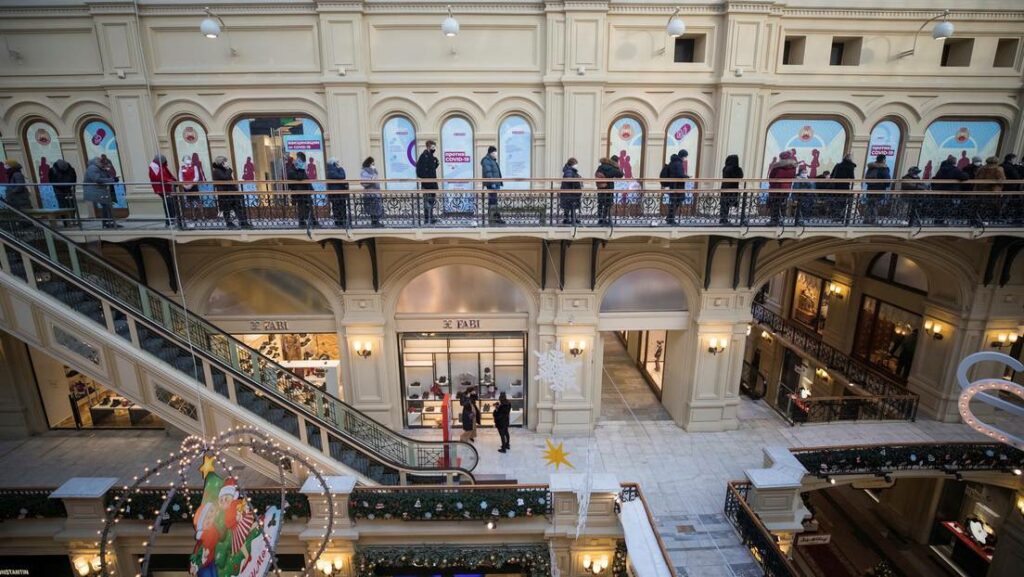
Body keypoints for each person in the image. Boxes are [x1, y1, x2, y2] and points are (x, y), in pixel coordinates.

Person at [212, 156, 250, 229]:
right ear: (222, 163)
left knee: (238, 208)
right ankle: (229, 223)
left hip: (232, 192)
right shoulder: (216, 171)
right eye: (226, 161)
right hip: (224, 193)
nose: (227, 163)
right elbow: (225, 177)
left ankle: (243, 222)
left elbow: (230, 180)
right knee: (227, 209)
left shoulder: (225, 170)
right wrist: (229, 170)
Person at [932, 155, 969, 224]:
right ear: (955, 162)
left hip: (940, 190)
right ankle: (942, 220)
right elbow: (964, 177)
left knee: (940, 206)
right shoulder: (955, 170)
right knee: (947, 206)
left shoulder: (941, 169)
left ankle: (937, 220)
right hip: (950, 192)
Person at [84, 157, 118, 228]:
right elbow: (97, 179)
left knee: (108, 205)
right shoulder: (93, 168)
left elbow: (107, 176)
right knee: (106, 205)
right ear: (97, 162)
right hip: (94, 190)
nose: (103, 163)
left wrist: (111, 175)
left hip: (100, 190)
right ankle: (107, 223)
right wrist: (111, 180)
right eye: (101, 162)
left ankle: (109, 222)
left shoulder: (99, 168)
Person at [766, 151, 797, 225]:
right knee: (782, 204)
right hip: (786, 188)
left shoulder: (777, 166)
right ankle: (780, 220)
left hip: (776, 188)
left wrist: (772, 184)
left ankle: (773, 221)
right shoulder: (793, 167)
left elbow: (771, 177)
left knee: (774, 204)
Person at [149, 154, 179, 227]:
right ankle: (169, 221)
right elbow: (160, 178)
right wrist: (171, 181)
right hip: (163, 189)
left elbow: (167, 175)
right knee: (168, 204)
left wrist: (173, 181)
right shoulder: (154, 168)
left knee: (171, 204)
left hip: (167, 188)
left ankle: (172, 220)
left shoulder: (161, 166)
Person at [288, 151, 316, 228]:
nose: (300, 162)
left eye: (301, 160)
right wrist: (299, 169)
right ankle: (302, 222)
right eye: (298, 159)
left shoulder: (301, 168)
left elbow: (306, 178)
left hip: (305, 191)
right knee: (301, 207)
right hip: (298, 192)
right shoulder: (291, 169)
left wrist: (311, 188)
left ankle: (313, 221)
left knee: (308, 206)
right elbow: (298, 177)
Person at [48, 159, 78, 226]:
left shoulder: (69, 169)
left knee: (70, 205)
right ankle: (66, 221)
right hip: (60, 189)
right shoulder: (53, 170)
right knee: (64, 206)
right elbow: (74, 178)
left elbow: (74, 178)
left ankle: (71, 220)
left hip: (66, 188)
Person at [863, 154, 892, 224]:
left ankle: (866, 219)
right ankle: (873, 220)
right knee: (876, 205)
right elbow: (887, 180)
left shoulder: (871, 167)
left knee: (869, 204)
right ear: (883, 160)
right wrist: (887, 185)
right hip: (879, 189)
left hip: (870, 188)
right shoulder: (884, 168)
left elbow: (867, 178)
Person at [416, 140, 440, 224]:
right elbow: (419, 171)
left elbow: (432, 169)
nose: (434, 149)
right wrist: (426, 178)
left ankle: (431, 218)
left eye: (434, 147)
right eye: (432, 147)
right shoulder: (423, 156)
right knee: (427, 202)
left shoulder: (431, 157)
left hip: (432, 184)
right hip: (427, 184)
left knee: (431, 202)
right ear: (428, 147)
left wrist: (436, 163)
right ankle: (427, 219)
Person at [595, 156, 623, 225]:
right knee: (608, 204)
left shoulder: (600, 168)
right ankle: (605, 219)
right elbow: (620, 175)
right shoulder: (611, 168)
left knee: (600, 203)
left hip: (601, 188)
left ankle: (600, 219)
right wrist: (617, 167)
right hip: (609, 188)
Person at [481, 145, 504, 224]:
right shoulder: (487, 160)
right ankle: (493, 218)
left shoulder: (492, 160)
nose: (495, 153)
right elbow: (488, 173)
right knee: (492, 201)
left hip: (495, 183)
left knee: (494, 201)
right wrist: (493, 182)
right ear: (490, 152)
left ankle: (495, 218)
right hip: (491, 184)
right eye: (494, 152)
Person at [325, 157, 349, 227]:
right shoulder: (331, 170)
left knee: (341, 206)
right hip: (335, 192)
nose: (338, 163)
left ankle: (342, 220)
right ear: (334, 163)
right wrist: (340, 168)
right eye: (337, 162)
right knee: (337, 207)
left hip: (339, 192)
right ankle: (339, 221)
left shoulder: (334, 169)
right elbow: (342, 176)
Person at [666, 150, 688, 225]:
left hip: (672, 185)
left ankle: (669, 218)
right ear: (682, 156)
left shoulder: (672, 162)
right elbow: (679, 174)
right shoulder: (678, 163)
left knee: (673, 202)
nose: (685, 158)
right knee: (676, 203)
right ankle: (671, 219)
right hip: (678, 186)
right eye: (685, 156)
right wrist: (686, 176)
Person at [359, 156, 383, 226]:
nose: (373, 166)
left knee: (377, 208)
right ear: (368, 163)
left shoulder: (373, 171)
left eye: (374, 164)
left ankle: (376, 222)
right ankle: (375, 222)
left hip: (375, 192)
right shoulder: (365, 171)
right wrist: (373, 176)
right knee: (373, 208)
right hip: (370, 193)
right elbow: (365, 183)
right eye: (372, 164)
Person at [721, 154, 743, 225]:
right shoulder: (735, 168)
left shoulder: (725, 168)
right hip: (732, 188)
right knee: (727, 204)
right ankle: (725, 220)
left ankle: (723, 219)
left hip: (724, 188)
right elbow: (740, 176)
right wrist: (738, 169)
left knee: (724, 204)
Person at [560, 157, 582, 225]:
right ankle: (568, 219)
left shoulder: (571, 170)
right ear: (572, 164)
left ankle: (572, 218)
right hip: (569, 191)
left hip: (570, 191)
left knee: (571, 206)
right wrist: (577, 178)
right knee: (569, 206)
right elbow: (569, 179)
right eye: (576, 164)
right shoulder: (569, 171)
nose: (577, 165)